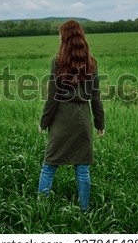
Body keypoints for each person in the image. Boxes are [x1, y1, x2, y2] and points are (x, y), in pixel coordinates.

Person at [38, 19, 105, 211]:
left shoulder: (58, 62)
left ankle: (41, 209)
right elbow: (96, 97)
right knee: (82, 168)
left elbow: (52, 98)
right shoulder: (91, 63)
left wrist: (44, 122)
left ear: (65, 38)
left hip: (61, 120)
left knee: (49, 166)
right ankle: (84, 211)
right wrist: (99, 122)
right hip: (83, 120)